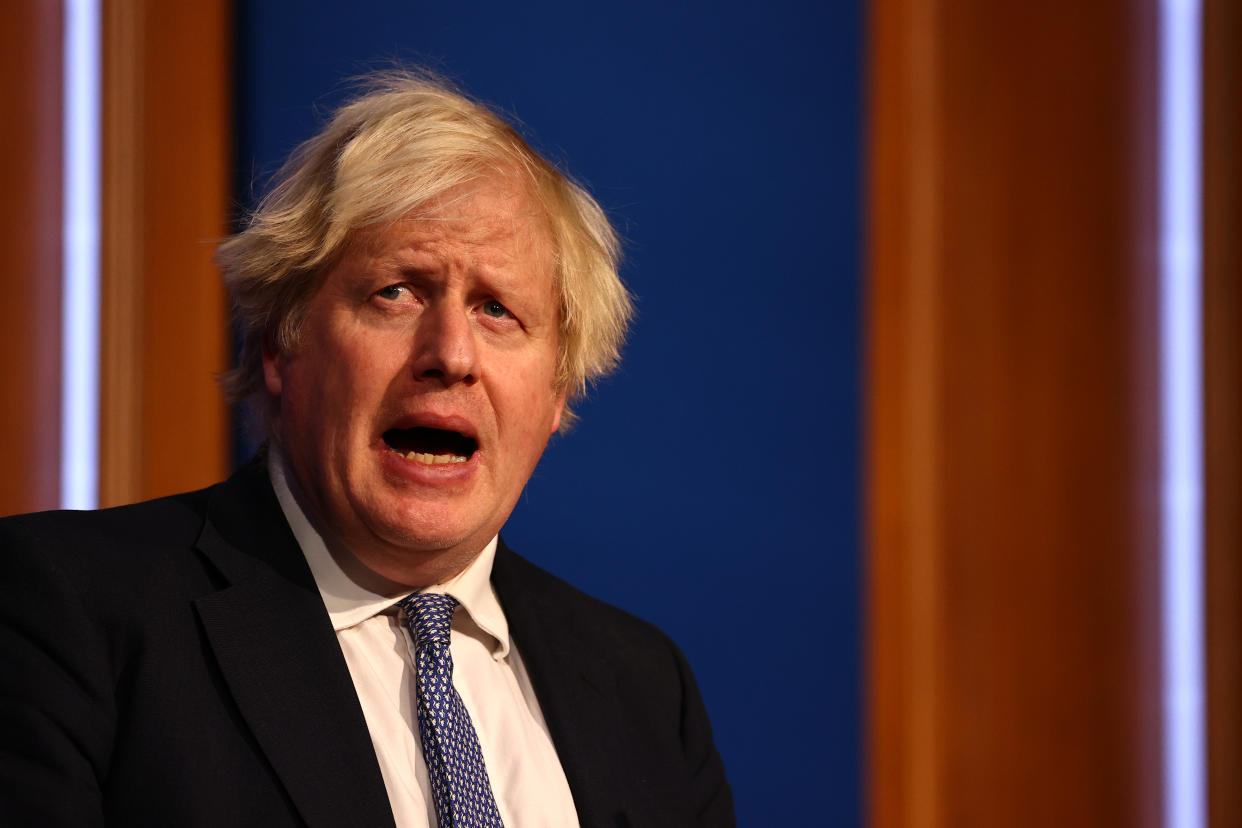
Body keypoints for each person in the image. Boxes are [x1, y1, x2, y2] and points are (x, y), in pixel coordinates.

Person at [0, 70, 734, 827]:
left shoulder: (645, 690)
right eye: (397, 292)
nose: (451, 352)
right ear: (281, 344)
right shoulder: (69, 609)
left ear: (557, 396)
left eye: (497, 309)